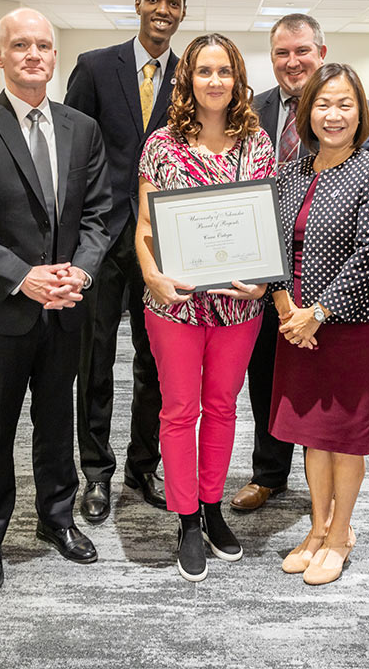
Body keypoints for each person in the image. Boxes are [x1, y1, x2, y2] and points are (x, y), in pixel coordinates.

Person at [0, 8, 111, 595]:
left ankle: (57, 521)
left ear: (54, 57)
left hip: (64, 308)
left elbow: (98, 216)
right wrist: (24, 276)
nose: (33, 54)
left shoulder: (80, 128)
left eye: (42, 46)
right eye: (20, 46)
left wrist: (78, 276)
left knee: (57, 423)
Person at [134, 33, 275, 582]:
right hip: (175, 306)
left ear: (237, 80)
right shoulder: (161, 146)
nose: (214, 81)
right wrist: (151, 275)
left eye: (224, 71)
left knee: (221, 409)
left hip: (239, 308)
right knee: (178, 411)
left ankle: (213, 507)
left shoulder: (257, 143)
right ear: (186, 79)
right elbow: (144, 227)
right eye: (204, 71)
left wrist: (263, 285)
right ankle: (186, 517)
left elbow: (264, 226)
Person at [232, 13, 369, 513]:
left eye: (301, 52)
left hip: (338, 305)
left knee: (334, 420)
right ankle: (269, 473)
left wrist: (315, 311)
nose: (291, 62)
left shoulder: (360, 144)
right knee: (269, 387)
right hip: (275, 292)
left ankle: (335, 521)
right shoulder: (250, 112)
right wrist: (284, 303)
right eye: (281, 53)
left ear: (321, 53)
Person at [64, 0, 188, 523]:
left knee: (157, 361)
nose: (163, 9)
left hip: (163, 242)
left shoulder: (191, 77)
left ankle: (143, 465)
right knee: (94, 360)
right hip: (101, 236)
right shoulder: (94, 67)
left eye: (174, 3)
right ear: (138, 3)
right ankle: (95, 471)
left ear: (182, 12)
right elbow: (72, 156)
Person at [268, 64, 369, 586]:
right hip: (293, 325)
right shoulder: (292, 171)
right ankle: (317, 528)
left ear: (360, 111)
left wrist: (316, 312)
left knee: (343, 436)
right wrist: (287, 310)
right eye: (323, 104)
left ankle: (341, 532)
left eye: (344, 104)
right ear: (307, 112)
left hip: (347, 327)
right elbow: (273, 247)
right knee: (311, 436)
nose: (333, 115)